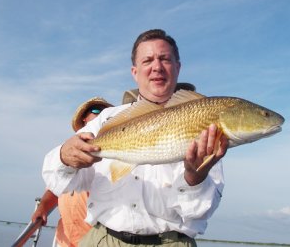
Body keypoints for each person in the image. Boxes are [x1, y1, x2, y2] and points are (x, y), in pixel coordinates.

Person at [42, 29, 228, 247]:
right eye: (147, 60)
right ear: (134, 71)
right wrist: (64, 156)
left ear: (178, 67)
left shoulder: (204, 120)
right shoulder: (106, 119)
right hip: (104, 239)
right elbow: (59, 181)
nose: (156, 67)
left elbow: (200, 212)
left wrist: (194, 178)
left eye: (165, 59)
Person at [32, 97, 113, 247]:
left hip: (94, 239)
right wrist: (42, 206)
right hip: (65, 238)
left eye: (106, 112)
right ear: (84, 118)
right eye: (97, 110)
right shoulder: (66, 153)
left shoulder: (111, 155)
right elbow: (55, 187)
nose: (102, 114)